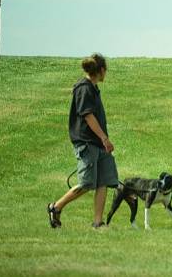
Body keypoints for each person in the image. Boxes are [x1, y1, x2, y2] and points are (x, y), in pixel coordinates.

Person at [47, 53, 119, 229]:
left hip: (99, 144)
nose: (106, 74)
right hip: (87, 143)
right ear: (101, 70)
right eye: (106, 71)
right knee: (87, 183)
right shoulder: (83, 88)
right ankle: (55, 207)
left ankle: (98, 223)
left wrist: (104, 141)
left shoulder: (92, 88)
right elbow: (87, 116)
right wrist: (104, 138)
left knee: (104, 181)